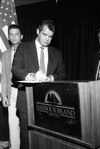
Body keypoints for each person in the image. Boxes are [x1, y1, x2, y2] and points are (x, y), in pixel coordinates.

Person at [12, 20, 67, 149]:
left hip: (49, 104)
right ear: (38, 31)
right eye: (44, 34)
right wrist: (32, 76)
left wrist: (51, 78)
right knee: (26, 139)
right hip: (26, 101)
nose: (47, 39)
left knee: (45, 140)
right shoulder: (23, 47)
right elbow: (16, 69)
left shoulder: (56, 53)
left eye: (50, 36)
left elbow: (63, 73)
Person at [1, 24, 23, 149]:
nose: (14, 37)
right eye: (11, 34)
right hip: (12, 91)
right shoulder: (5, 54)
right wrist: (4, 95)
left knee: (26, 124)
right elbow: (4, 76)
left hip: (25, 91)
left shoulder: (28, 51)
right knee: (12, 123)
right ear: (8, 37)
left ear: (21, 36)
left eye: (17, 34)